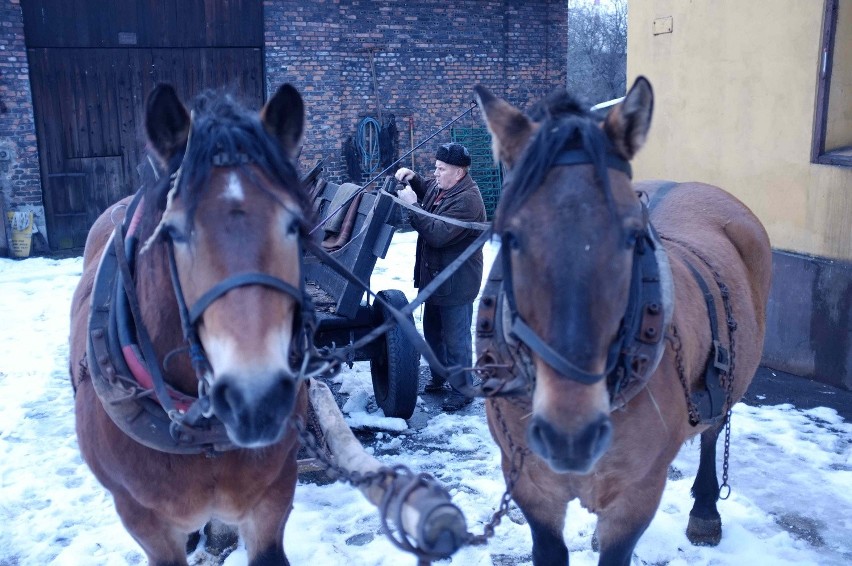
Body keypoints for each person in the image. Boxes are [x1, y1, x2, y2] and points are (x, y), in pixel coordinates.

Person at [394, 142, 486, 412]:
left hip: (456, 281)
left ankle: (463, 389)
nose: (435, 173)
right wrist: (414, 179)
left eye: (441, 169)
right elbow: (429, 189)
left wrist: (412, 208)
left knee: (456, 339)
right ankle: (440, 376)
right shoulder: (444, 185)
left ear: (459, 172)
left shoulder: (468, 200)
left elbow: (436, 234)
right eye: (435, 167)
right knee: (433, 332)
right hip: (435, 277)